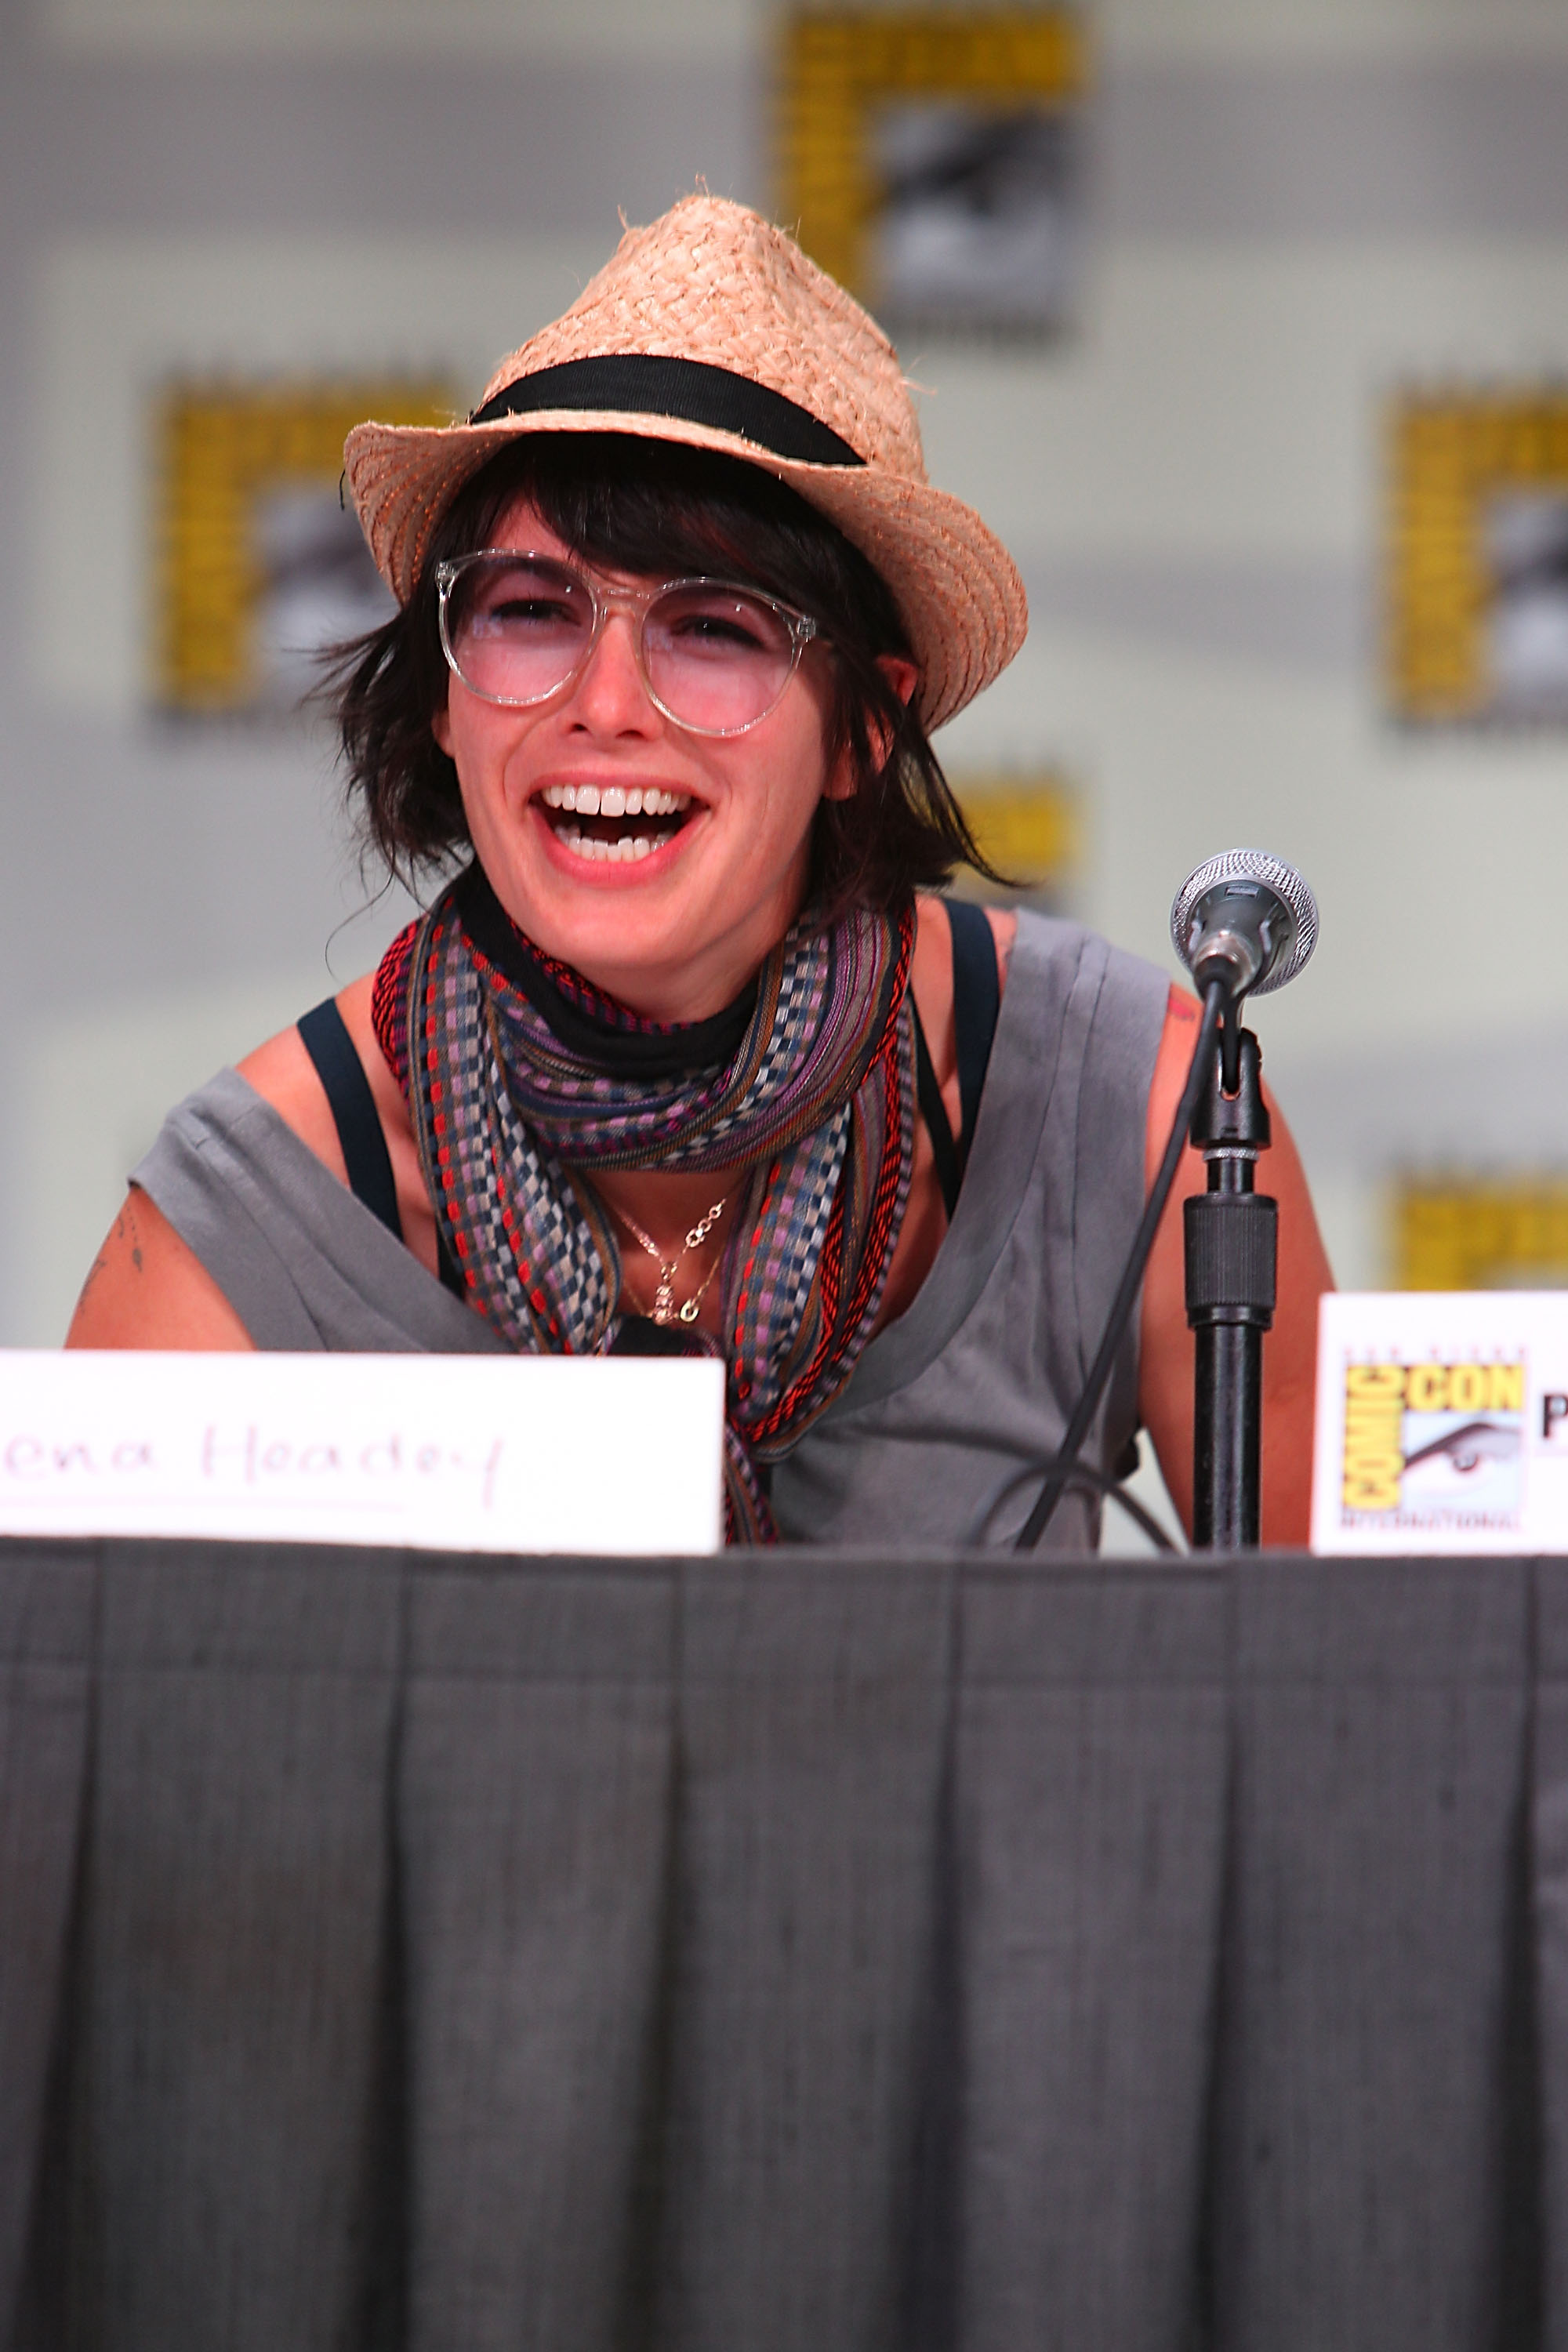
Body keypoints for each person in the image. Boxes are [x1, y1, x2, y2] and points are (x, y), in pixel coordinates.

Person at [67, 194, 1331, 1546]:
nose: (606, 703)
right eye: (533, 612)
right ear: (444, 697)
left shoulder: (1132, 1098)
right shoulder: (258, 1208)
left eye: (713, 627)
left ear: (863, 724)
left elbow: (1356, 1693)